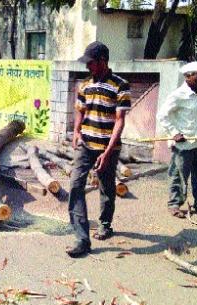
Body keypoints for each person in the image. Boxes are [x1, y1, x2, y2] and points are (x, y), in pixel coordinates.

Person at [66, 41, 131, 257]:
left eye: (91, 63)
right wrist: (76, 131)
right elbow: (80, 110)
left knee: (106, 186)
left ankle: (105, 223)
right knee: (75, 185)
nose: (88, 67)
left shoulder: (120, 85)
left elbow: (120, 121)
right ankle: (82, 239)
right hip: (85, 144)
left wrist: (108, 151)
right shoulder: (84, 84)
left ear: (102, 61)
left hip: (108, 147)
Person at [157, 61, 197, 219]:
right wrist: (174, 132)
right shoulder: (178, 95)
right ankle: (174, 204)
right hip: (184, 144)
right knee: (178, 175)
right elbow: (163, 115)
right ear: (188, 76)